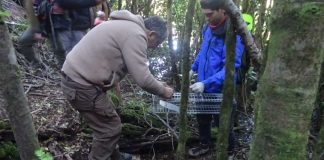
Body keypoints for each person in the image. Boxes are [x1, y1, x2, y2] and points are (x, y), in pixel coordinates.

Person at [60, 10, 174, 160]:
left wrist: (159, 84)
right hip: (81, 85)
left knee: (107, 125)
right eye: (157, 43)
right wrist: (164, 91)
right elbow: (143, 79)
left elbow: (112, 63)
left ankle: (116, 157)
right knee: (110, 129)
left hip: (75, 79)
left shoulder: (124, 26)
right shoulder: (137, 35)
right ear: (151, 34)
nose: (154, 47)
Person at [188, 0, 245, 157]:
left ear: (222, 10)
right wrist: (193, 69)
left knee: (223, 125)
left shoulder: (234, 32)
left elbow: (230, 68)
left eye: (210, 14)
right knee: (202, 119)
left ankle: (229, 151)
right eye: (205, 14)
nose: (207, 18)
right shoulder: (208, 28)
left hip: (221, 90)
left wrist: (206, 84)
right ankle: (204, 145)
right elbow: (203, 51)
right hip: (202, 86)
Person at [17, 0, 106, 67]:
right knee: (24, 41)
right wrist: (38, 30)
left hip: (60, 24)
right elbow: (35, 10)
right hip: (43, 23)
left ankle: (68, 77)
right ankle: (38, 67)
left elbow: (70, 4)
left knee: (61, 53)